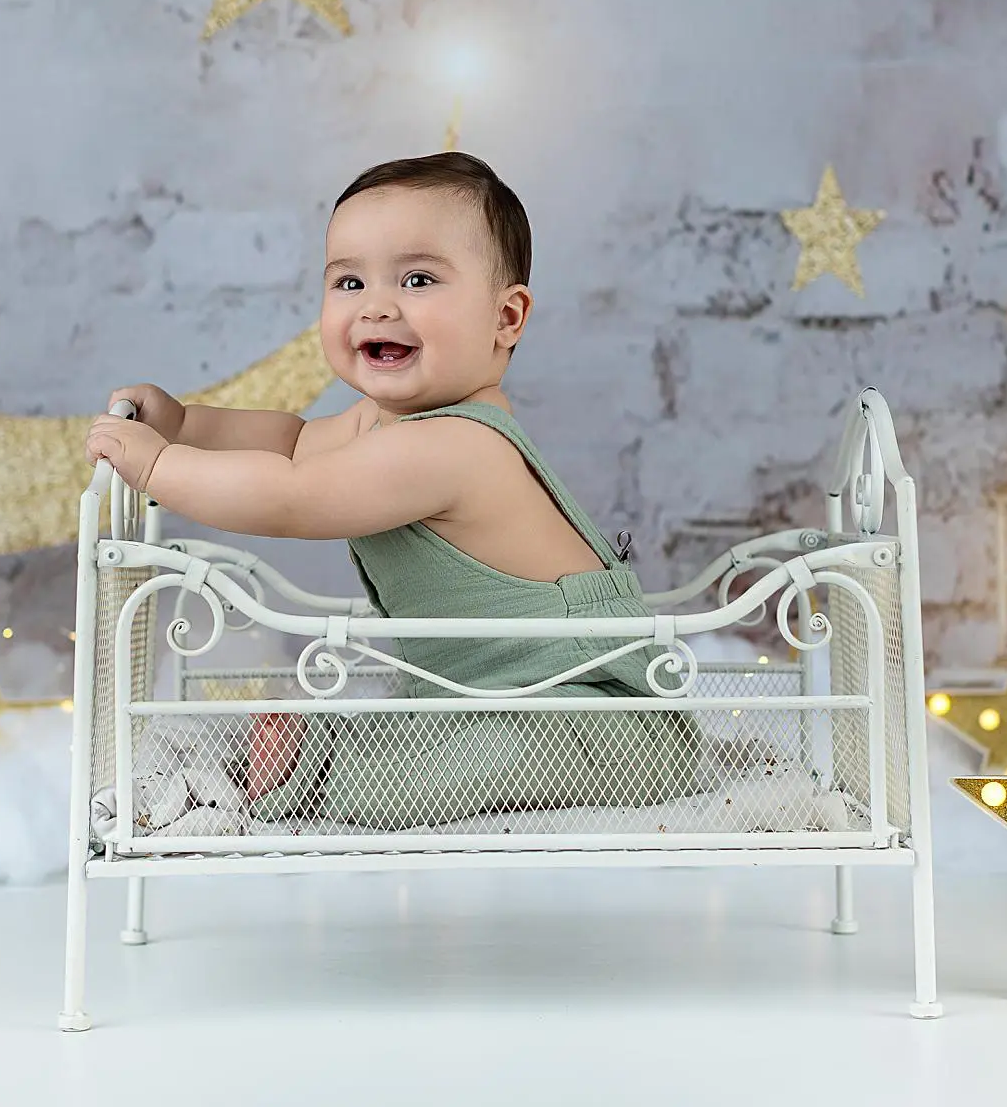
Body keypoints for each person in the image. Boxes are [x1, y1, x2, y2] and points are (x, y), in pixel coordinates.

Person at [85, 152, 698, 827]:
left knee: (471, 757)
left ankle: (321, 772)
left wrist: (160, 467)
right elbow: (288, 443)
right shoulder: (385, 424)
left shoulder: (455, 446)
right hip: (484, 700)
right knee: (437, 736)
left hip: (603, 726)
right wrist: (187, 423)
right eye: (348, 282)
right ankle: (319, 756)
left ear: (507, 317)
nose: (377, 304)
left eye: (417, 278)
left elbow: (292, 494)